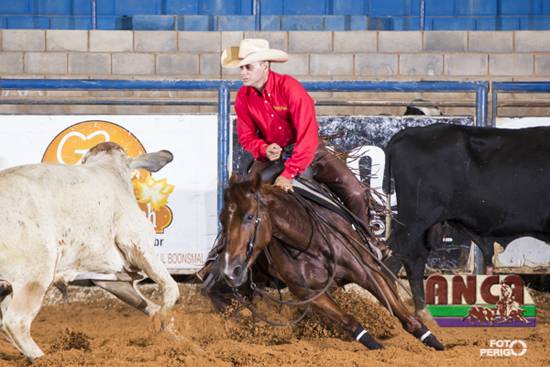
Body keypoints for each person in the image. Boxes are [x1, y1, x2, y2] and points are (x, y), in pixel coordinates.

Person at [196, 38, 386, 281]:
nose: (242, 73)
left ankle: (368, 240)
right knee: (242, 200)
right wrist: (264, 148)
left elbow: (307, 135)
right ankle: (219, 255)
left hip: (310, 152)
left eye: (248, 67)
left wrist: (289, 173)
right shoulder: (244, 97)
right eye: (241, 68)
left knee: (356, 192)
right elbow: (246, 137)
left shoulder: (290, 88)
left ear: (265, 65)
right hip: (272, 158)